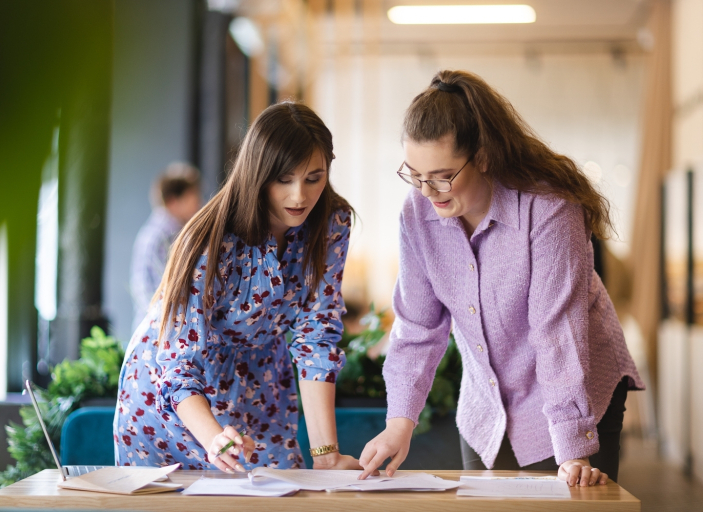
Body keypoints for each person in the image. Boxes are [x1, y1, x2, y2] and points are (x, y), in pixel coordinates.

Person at [358, 70, 644, 487]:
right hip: (486, 405)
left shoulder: (548, 209)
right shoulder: (416, 214)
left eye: (442, 175)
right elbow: (418, 327)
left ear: (485, 157)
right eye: (415, 175)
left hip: (573, 393)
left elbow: (557, 333)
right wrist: (399, 423)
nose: (428, 190)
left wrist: (572, 450)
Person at [115, 102, 361, 473]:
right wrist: (213, 436)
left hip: (259, 379)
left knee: (278, 495)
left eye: (313, 177)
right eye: (284, 179)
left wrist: (327, 455)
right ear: (258, 173)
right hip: (171, 393)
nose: (299, 196)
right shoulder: (209, 240)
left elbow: (317, 338)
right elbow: (179, 363)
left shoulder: (331, 223)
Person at [130, 163, 201, 330]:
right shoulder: (163, 237)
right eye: (193, 197)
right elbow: (158, 294)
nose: (199, 204)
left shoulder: (161, 232)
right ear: (173, 201)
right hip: (160, 332)